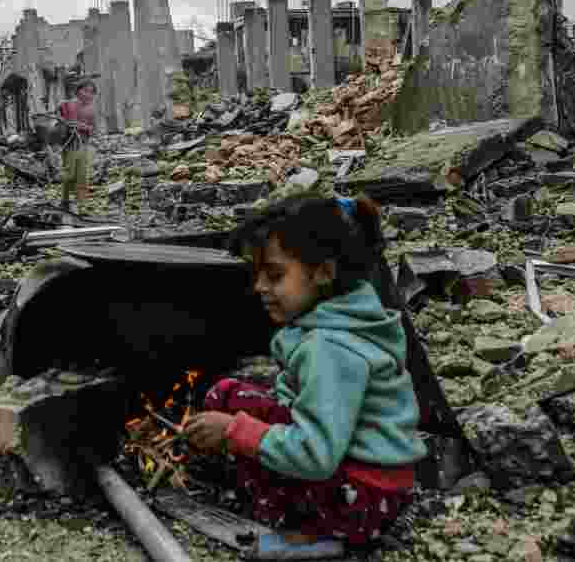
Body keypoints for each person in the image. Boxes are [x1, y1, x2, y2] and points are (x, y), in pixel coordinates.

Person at [183, 193, 427, 560]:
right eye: (258, 275)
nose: (260, 287)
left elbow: (315, 456)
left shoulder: (329, 349)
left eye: (275, 275)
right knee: (227, 395)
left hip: (360, 499)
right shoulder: (347, 311)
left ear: (324, 272)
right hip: (368, 478)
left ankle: (316, 541)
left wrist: (236, 433)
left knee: (242, 437)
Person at [58, 80, 96, 212]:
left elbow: (93, 129)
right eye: (85, 91)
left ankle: (82, 205)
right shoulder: (67, 105)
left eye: (91, 92)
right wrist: (66, 124)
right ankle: (65, 200)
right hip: (70, 145)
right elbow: (58, 122)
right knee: (69, 175)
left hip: (83, 145)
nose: (88, 95)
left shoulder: (91, 110)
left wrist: (83, 126)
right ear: (78, 91)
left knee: (82, 176)